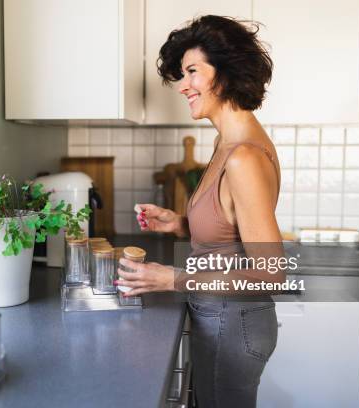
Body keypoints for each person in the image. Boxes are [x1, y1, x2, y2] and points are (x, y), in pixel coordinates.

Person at [116, 15, 285, 407]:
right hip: (224, 320)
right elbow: (232, 227)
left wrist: (172, 278)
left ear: (224, 74)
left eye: (192, 71)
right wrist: (181, 223)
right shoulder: (226, 143)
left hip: (234, 325)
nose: (183, 85)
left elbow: (271, 273)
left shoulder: (244, 156)